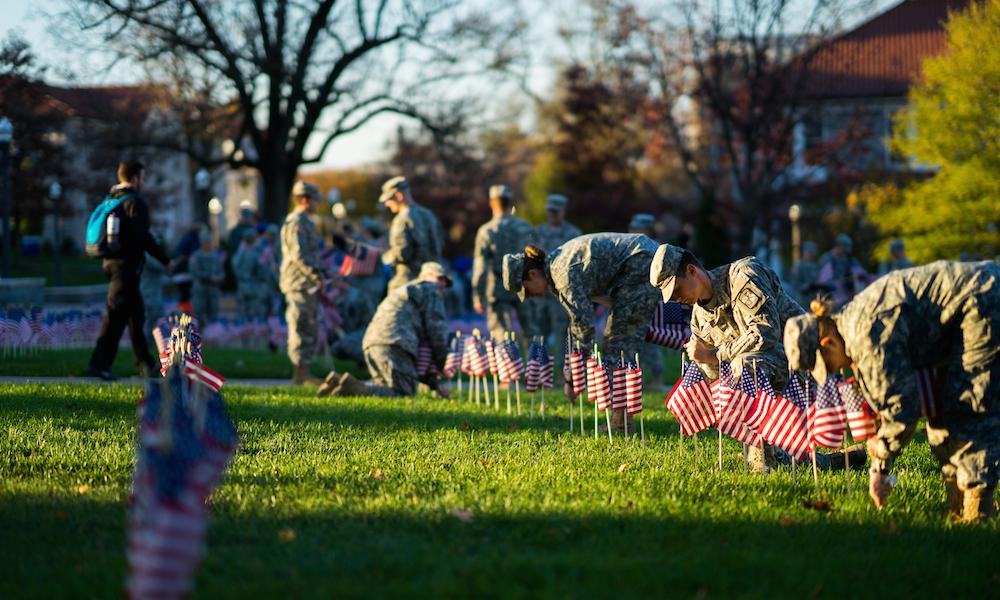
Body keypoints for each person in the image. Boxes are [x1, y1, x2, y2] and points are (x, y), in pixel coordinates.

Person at [783, 261, 1000, 521]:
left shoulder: (866, 335)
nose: (831, 372)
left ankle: (978, 514)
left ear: (828, 343)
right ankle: (958, 508)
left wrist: (881, 463)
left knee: (967, 405)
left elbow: (902, 409)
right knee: (942, 406)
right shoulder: (852, 326)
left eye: (827, 365)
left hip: (980, 302)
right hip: (966, 305)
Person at [648, 243, 805, 471]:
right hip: (768, 387)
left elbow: (766, 331)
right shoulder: (699, 319)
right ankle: (791, 456)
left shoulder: (743, 276)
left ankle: (763, 460)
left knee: (745, 364)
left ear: (692, 271)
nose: (676, 299)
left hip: (801, 367)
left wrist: (714, 355)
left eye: (678, 290)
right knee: (734, 371)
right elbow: (714, 374)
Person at [502, 233, 660, 432]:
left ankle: (621, 423)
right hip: (640, 261)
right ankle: (621, 420)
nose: (531, 295)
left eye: (526, 289)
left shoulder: (562, 274)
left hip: (641, 265)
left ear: (533, 274)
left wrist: (573, 377)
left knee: (618, 346)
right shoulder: (558, 265)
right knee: (617, 345)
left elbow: (583, 325)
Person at [86, 160, 172, 381]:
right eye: (142, 178)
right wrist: (165, 259)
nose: (143, 182)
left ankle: (146, 363)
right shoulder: (135, 202)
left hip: (111, 263)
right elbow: (143, 237)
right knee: (114, 316)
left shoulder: (112, 199)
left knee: (136, 315)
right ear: (134, 178)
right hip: (126, 268)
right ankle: (98, 364)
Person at [323, 262, 452, 398]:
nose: (443, 284)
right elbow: (437, 330)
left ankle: (339, 384)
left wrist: (434, 383)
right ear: (424, 276)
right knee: (403, 393)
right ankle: (355, 389)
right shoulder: (430, 288)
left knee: (385, 385)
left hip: (374, 341)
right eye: (439, 278)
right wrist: (444, 362)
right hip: (394, 342)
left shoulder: (408, 289)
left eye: (446, 281)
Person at [472, 184, 538, 338]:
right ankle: (537, 362)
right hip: (525, 285)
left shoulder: (486, 231)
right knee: (533, 335)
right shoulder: (525, 227)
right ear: (510, 202)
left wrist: (478, 296)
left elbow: (481, 267)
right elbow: (537, 259)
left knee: (501, 338)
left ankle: (506, 362)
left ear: (491, 203)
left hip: (497, 288)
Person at [280, 181, 329, 385]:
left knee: (309, 325)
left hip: (307, 282)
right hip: (299, 283)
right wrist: (315, 274)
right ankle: (299, 375)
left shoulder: (306, 221)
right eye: (316, 200)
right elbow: (299, 255)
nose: (319, 204)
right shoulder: (296, 222)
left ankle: (304, 372)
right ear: (305, 200)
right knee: (301, 324)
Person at [532, 194, 582, 379]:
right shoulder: (537, 232)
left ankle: (561, 375)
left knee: (562, 335)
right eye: (550, 211)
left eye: (556, 211)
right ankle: (538, 374)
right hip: (540, 292)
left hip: (561, 294)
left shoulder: (573, 234)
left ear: (563, 211)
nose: (552, 215)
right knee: (539, 334)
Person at [379, 176, 445, 292]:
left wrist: (384, 256)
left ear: (399, 196)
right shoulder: (429, 215)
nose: (387, 204)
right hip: (433, 281)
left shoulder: (402, 219)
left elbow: (402, 254)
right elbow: (440, 243)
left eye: (389, 200)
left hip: (408, 283)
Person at [629, 213, 665, 388]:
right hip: (632, 301)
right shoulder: (634, 246)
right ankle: (639, 378)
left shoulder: (657, 249)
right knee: (634, 341)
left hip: (650, 301)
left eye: (637, 227)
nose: (633, 230)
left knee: (650, 339)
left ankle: (657, 378)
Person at [817, 233, 868, 305]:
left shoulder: (848, 259)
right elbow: (821, 280)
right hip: (829, 296)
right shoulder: (826, 259)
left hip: (845, 297)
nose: (845, 252)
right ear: (839, 246)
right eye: (845, 249)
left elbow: (860, 272)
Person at [139, 230, 168, 351]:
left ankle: (151, 341)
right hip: (148, 293)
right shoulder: (146, 255)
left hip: (155, 292)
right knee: (150, 318)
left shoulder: (149, 255)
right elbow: (160, 266)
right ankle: (147, 342)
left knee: (156, 318)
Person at [189, 227, 224, 323]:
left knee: (214, 313)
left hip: (213, 290)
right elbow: (194, 271)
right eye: (205, 242)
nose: (207, 244)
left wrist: (218, 278)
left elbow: (221, 272)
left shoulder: (215, 256)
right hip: (200, 290)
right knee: (199, 314)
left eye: (208, 241)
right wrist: (209, 277)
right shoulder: (196, 256)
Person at [787, 240, 820, 306]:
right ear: (805, 252)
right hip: (801, 299)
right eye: (810, 253)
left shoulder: (816, 266)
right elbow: (794, 284)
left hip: (813, 300)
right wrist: (807, 286)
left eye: (813, 253)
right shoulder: (798, 266)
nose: (811, 255)